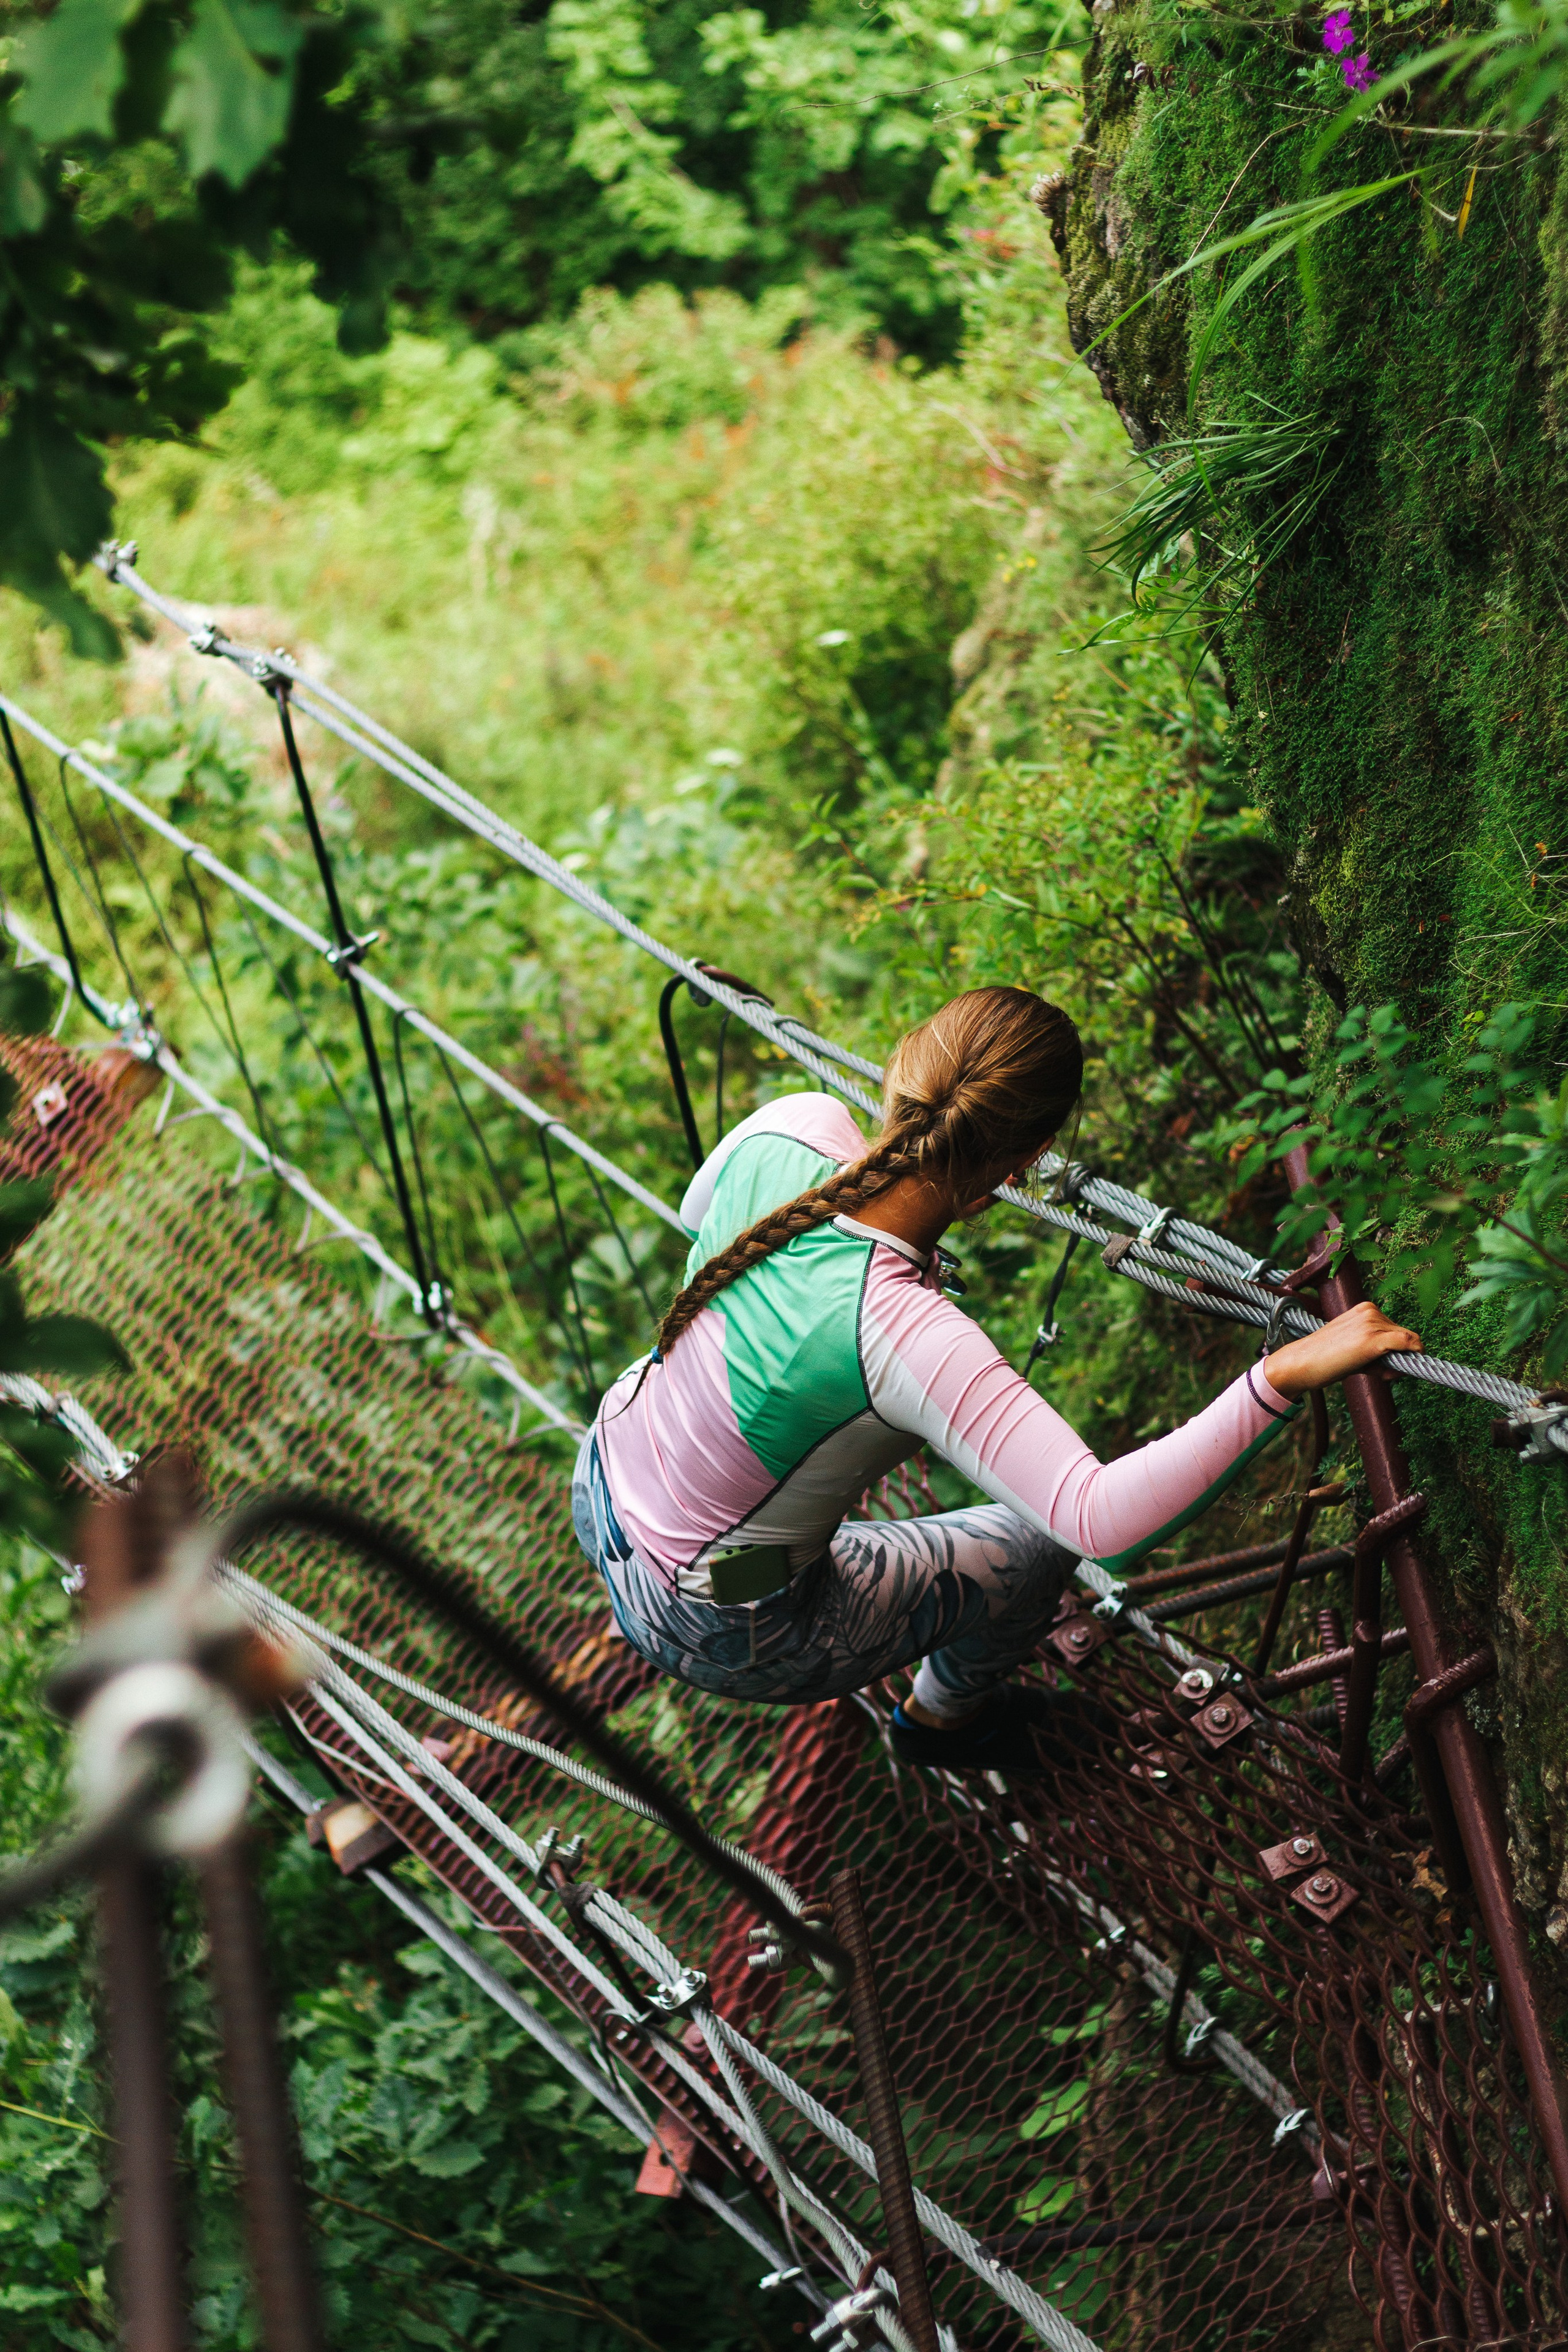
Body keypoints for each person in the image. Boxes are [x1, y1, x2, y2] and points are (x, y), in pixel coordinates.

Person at [572, 986, 1421, 1777]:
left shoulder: (790, 1125)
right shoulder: (904, 1333)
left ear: (907, 1061)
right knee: (1033, 1545)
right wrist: (1278, 1376)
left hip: (603, 1475)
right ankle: (942, 1724)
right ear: (1028, 1161)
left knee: (787, 1484)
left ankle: (709, 1560)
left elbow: (698, 1216)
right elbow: (1099, 1522)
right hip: (719, 1611)